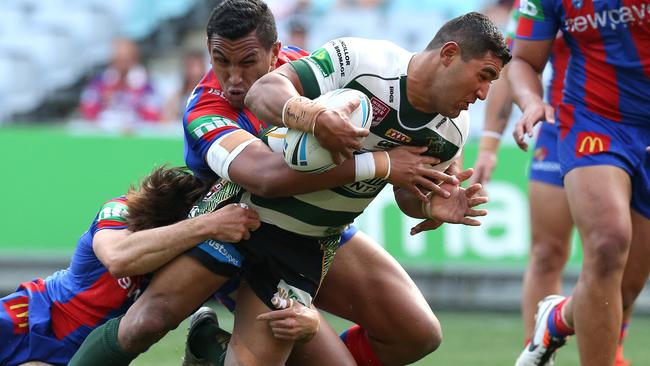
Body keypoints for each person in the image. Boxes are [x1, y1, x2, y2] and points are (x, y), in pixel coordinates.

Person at [68, 3, 502, 366]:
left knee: (419, 333)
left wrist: (430, 206)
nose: (235, 77)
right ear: (448, 54)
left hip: (309, 240)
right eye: (222, 62)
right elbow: (265, 173)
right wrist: (345, 140)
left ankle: (211, 351)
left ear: (276, 53)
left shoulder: (451, 129)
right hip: (232, 214)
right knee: (149, 320)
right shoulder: (353, 64)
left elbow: (410, 188)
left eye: (248, 62)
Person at [473, 4, 632, 364]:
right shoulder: (539, 7)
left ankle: (607, 345)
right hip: (561, 125)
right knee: (548, 252)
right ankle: (539, 349)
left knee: (624, 269)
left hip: (634, 127)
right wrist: (489, 145)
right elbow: (509, 63)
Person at [0, 166, 260, 366]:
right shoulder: (122, 210)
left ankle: (204, 340)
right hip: (27, 317)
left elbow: (252, 309)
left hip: (79, 355)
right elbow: (117, 259)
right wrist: (206, 225)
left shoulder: (200, 256)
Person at [509, 1, 650, 365]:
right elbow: (522, 59)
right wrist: (530, 102)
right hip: (593, 122)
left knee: (625, 287)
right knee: (608, 243)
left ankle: (557, 319)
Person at [79, 38, 162, 131]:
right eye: (119, 58)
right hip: (103, 131)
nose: (122, 63)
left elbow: (152, 115)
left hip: (135, 132)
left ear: (135, 58)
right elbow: (88, 109)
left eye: (126, 59)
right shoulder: (100, 81)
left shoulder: (146, 84)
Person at [163, 49, 208, 122]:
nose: (196, 71)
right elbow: (165, 122)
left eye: (199, 66)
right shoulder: (177, 98)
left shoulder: (211, 95)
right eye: (192, 66)